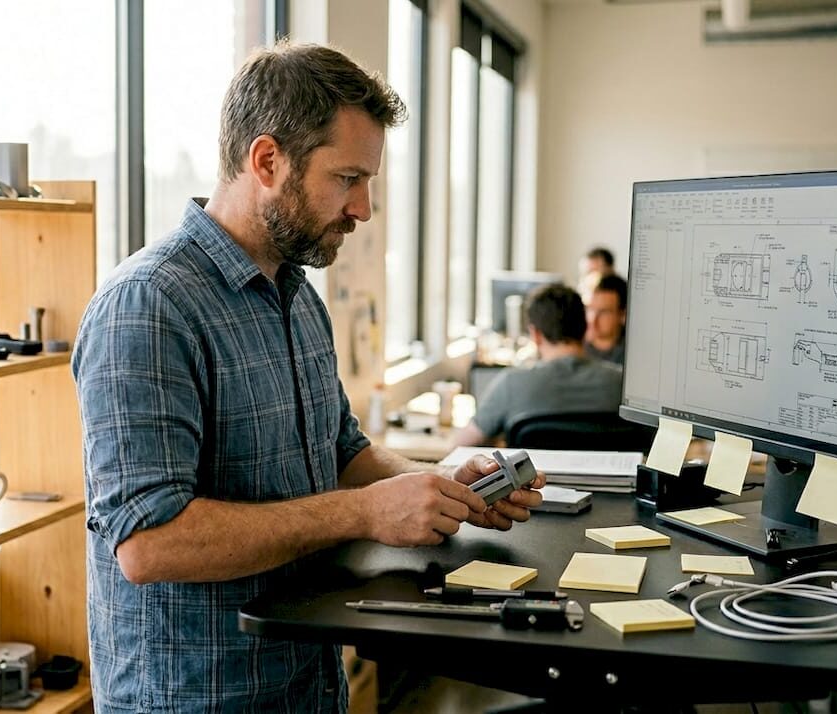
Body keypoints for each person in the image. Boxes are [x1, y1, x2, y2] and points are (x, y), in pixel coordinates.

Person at [71, 42, 543, 714]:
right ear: (266, 161)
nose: (363, 210)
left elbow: (343, 452)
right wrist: (369, 513)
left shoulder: (296, 295)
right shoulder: (148, 308)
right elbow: (149, 543)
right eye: (348, 178)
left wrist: (437, 487)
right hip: (197, 700)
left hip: (306, 683)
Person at [454, 284, 624, 446]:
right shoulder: (622, 384)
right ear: (586, 326)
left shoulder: (511, 383)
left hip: (533, 477)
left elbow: (460, 445)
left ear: (535, 334)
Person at [584, 273, 627, 365]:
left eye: (603, 312)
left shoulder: (631, 355)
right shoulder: (575, 348)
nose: (592, 319)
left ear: (622, 315)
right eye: (591, 309)